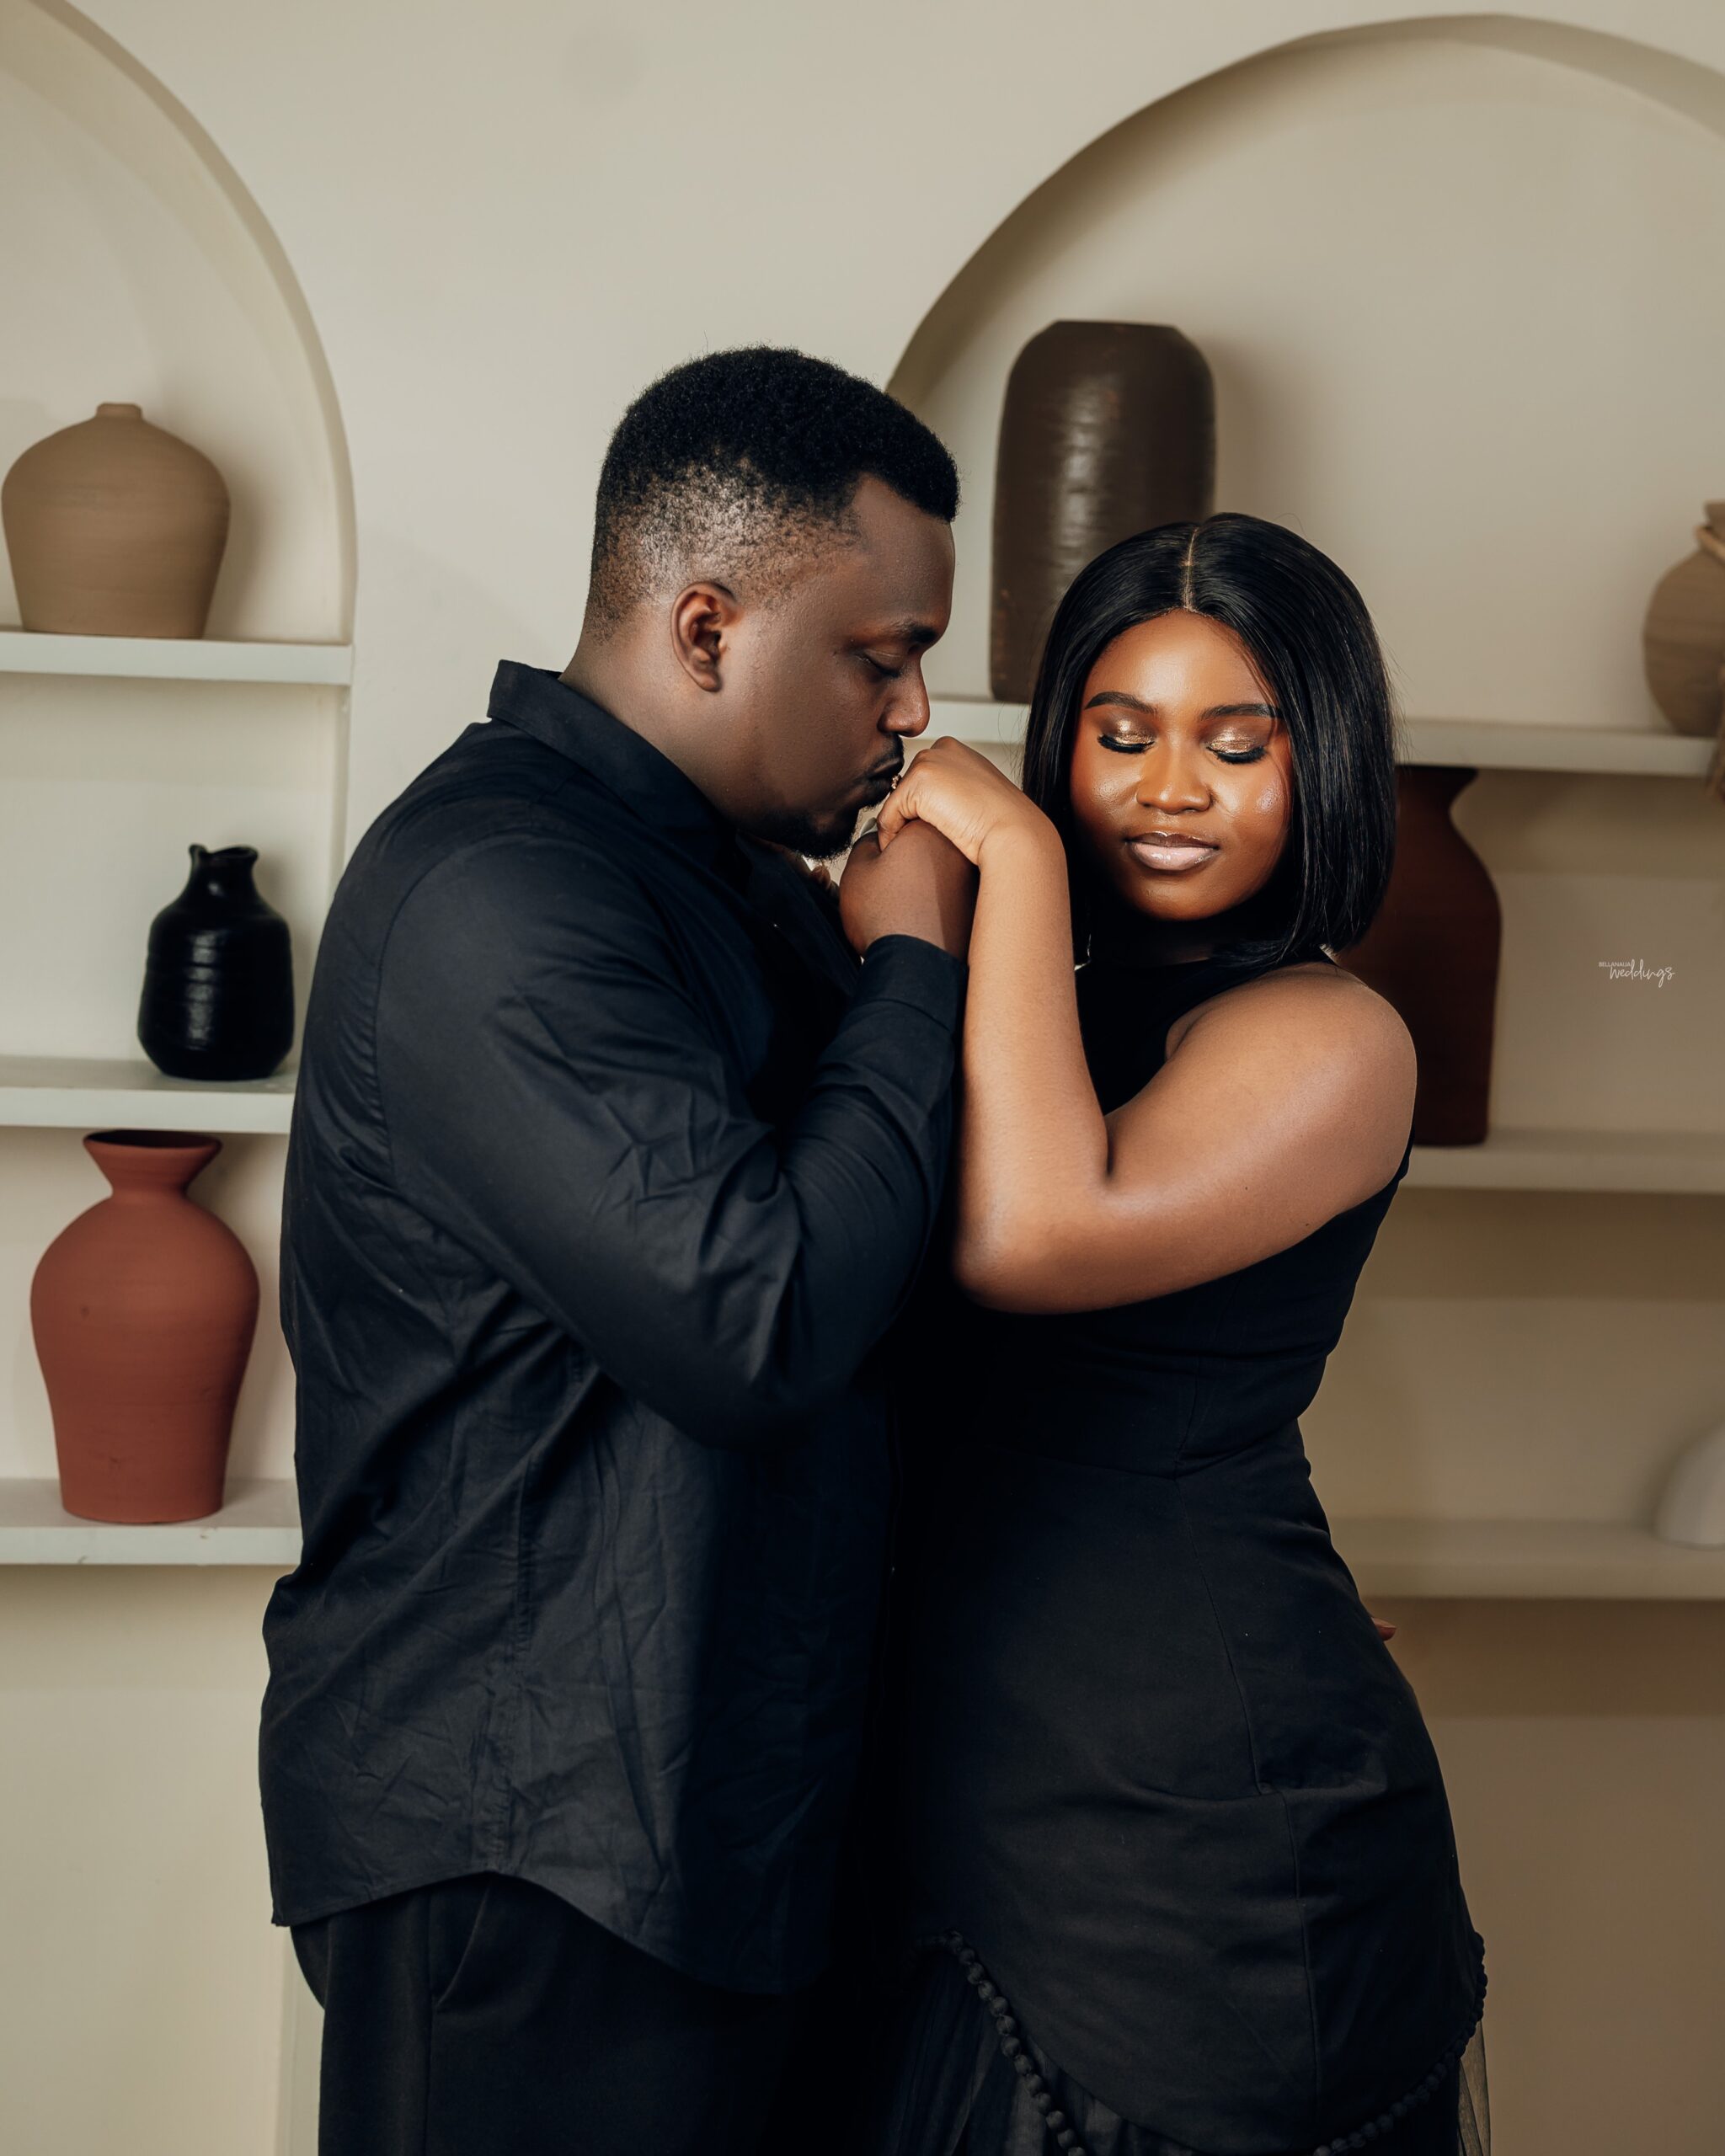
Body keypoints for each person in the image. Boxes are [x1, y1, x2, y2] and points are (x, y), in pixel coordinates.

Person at [258, 345, 981, 2156]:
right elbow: (759, 1313)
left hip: (709, 1827)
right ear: (708, 626)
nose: (913, 709)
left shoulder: (714, 880)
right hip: (535, 1853)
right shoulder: (501, 886)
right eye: (879, 654)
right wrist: (913, 967)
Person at [851, 515, 1489, 2156]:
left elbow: (1029, 1235)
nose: (1170, 789)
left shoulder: (1333, 1032)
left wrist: (1018, 854)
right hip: (966, 1746)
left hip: (1194, 1818)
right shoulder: (1030, 1000)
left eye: (1236, 743)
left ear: (1322, 756)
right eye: (1122, 735)